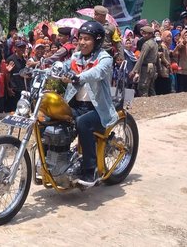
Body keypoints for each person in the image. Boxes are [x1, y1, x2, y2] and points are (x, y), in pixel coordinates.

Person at [61, 21, 118, 186]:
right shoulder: (76, 57)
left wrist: (79, 76)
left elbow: (97, 72)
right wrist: (44, 67)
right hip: (77, 106)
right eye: (80, 38)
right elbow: (63, 65)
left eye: (87, 39)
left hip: (98, 109)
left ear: (97, 41)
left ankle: (89, 170)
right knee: (52, 118)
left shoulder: (105, 58)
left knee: (83, 123)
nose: (82, 42)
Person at [129, 26, 158, 97]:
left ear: (151, 34)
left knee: (143, 87)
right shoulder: (155, 43)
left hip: (146, 68)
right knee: (151, 88)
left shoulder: (147, 44)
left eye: (146, 34)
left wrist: (134, 71)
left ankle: (145, 106)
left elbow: (141, 58)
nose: (144, 35)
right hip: (152, 67)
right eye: (143, 33)